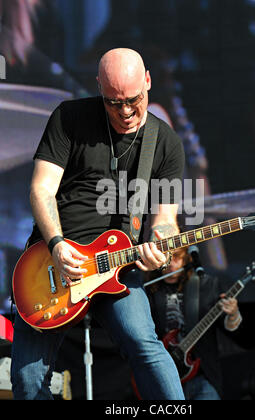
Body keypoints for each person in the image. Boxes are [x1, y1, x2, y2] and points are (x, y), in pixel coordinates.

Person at [10, 48, 186, 400]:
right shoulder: (69, 117)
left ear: (148, 81)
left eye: (133, 100)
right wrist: (58, 244)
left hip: (116, 267)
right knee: (28, 380)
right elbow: (41, 188)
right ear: (98, 89)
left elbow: (166, 219)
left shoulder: (165, 142)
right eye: (113, 102)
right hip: (53, 261)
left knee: (144, 345)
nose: (124, 112)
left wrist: (161, 250)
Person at [146, 247, 242, 400]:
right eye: (166, 257)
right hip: (163, 376)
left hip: (202, 374)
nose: (171, 263)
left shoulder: (206, 285)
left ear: (186, 259)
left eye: (176, 257)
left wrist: (233, 313)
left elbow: (230, 329)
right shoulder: (148, 290)